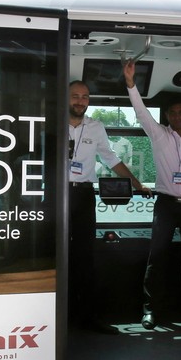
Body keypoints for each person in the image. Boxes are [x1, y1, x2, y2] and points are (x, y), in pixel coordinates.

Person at [123, 60, 181, 329]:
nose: (176, 117)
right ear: (167, 116)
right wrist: (131, 84)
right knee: (157, 258)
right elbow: (140, 113)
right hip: (165, 204)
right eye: (172, 113)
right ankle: (150, 310)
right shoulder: (158, 135)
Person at [67, 80, 150, 332]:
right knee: (56, 256)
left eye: (85, 97)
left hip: (82, 196)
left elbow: (111, 158)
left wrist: (136, 184)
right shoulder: (51, 122)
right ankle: (60, 318)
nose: (80, 101)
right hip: (56, 195)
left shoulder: (96, 127)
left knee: (85, 259)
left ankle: (88, 317)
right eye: (75, 96)